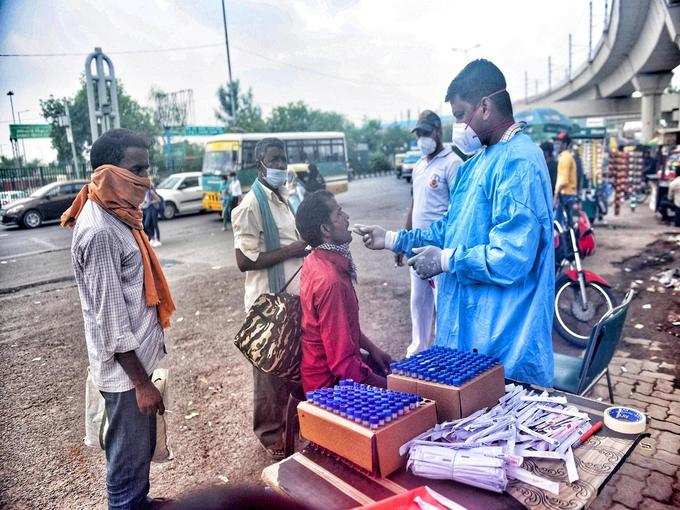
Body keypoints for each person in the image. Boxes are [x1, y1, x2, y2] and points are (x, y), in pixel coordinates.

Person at [355, 59, 555, 387]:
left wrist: (446, 259)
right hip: (471, 341)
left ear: (486, 106)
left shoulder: (519, 163)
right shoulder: (478, 163)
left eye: (461, 114)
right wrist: (391, 239)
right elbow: (449, 227)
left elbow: (512, 257)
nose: (458, 127)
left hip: (505, 343)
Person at [61, 128, 176, 509]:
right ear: (106, 171)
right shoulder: (100, 231)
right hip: (127, 378)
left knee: (138, 454)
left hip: (133, 371)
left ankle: (138, 502)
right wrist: (142, 384)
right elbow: (111, 322)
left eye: (147, 168)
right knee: (125, 469)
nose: (145, 179)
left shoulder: (120, 215)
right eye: (136, 169)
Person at [231, 138, 309, 460]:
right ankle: (271, 436)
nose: (281, 165)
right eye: (275, 159)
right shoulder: (251, 205)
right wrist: (293, 250)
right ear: (260, 163)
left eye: (284, 159)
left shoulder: (282, 198)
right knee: (268, 372)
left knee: (291, 363)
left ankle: (295, 424)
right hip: (266, 303)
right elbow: (243, 260)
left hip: (288, 296)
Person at [295, 190, 392, 392]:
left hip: (323, 376)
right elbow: (343, 365)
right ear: (325, 229)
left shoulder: (315, 258)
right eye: (339, 214)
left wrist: (373, 349)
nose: (347, 218)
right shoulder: (330, 281)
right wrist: (394, 388)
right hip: (328, 388)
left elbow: (343, 329)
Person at [397, 110, 462, 357]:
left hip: (439, 249)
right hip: (416, 246)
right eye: (419, 134)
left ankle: (445, 352)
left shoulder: (452, 163)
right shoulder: (419, 165)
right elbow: (414, 202)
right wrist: (403, 240)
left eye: (425, 133)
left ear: (438, 131)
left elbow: (458, 210)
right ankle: (419, 349)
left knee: (442, 302)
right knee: (419, 300)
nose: (422, 138)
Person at [554, 132, 578, 202]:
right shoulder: (567, 156)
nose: (556, 146)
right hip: (568, 194)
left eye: (558, 143)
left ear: (564, 145)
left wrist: (555, 195)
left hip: (565, 195)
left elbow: (563, 181)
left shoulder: (565, 158)